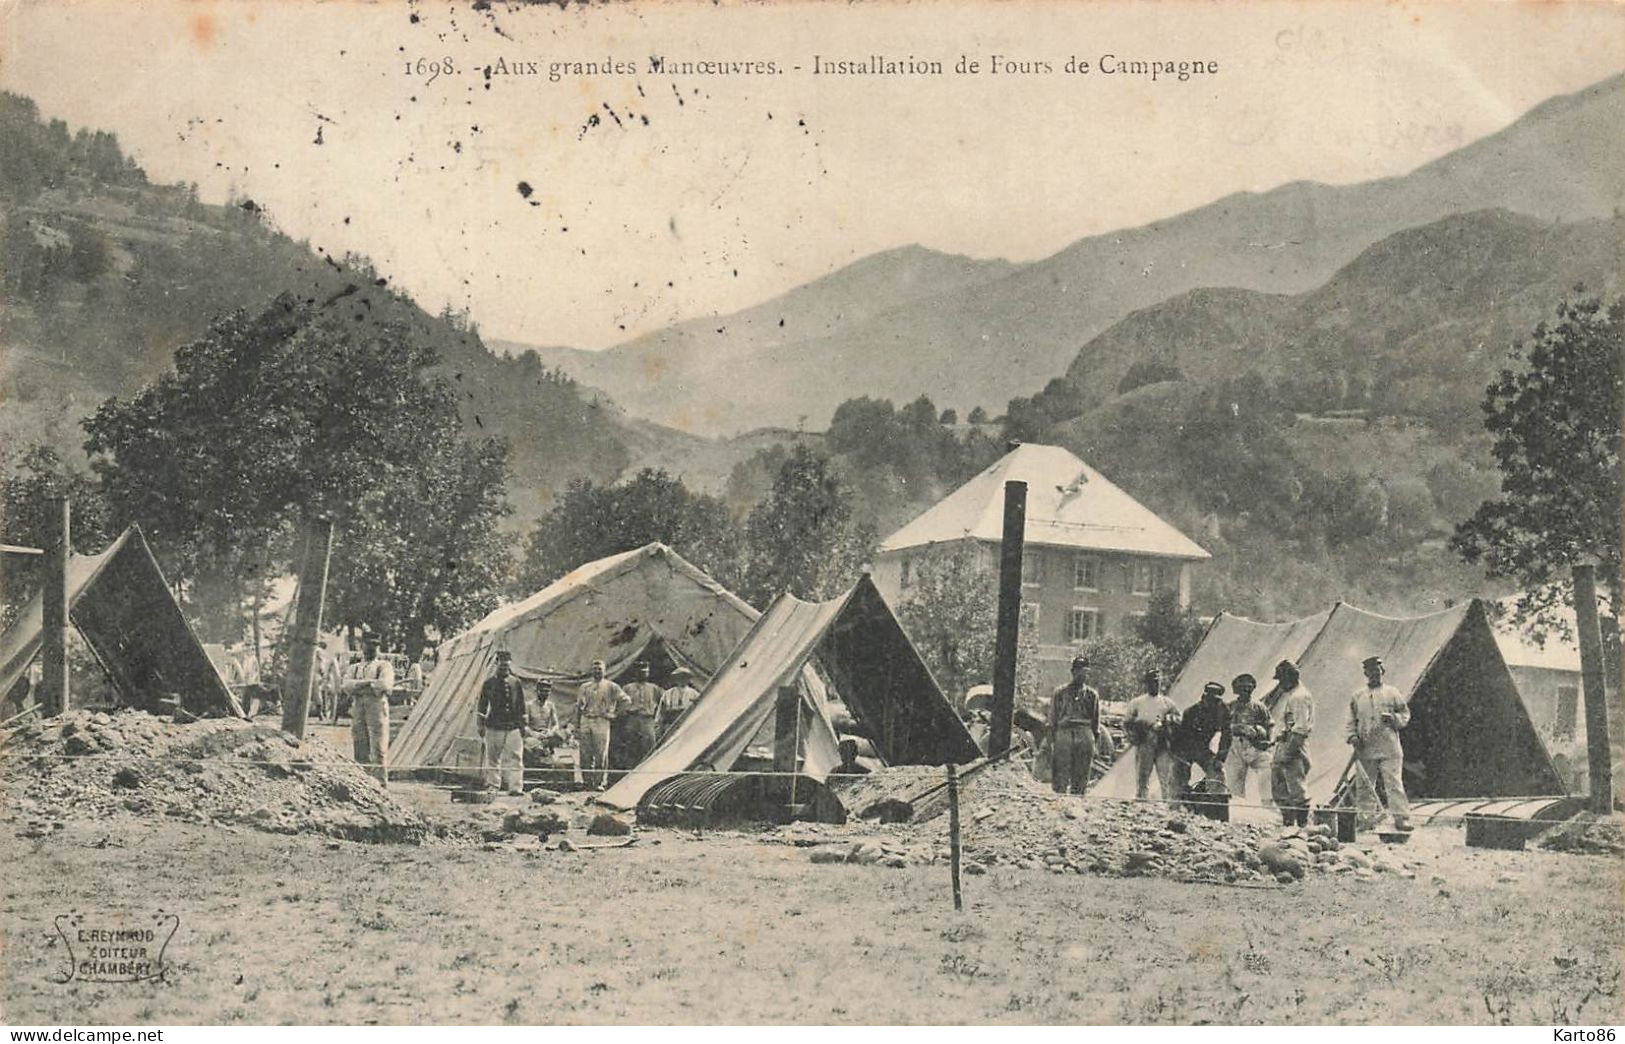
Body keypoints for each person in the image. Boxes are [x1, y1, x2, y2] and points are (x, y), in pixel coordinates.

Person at [1347, 655, 1412, 831]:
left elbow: (1405, 714)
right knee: (1365, 785)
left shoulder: (1393, 692)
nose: (1375, 675)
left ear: (1382, 672)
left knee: (1394, 783)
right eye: (1371, 672)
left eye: (1378, 671)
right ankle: (1365, 819)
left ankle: (1401, 818)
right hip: (1366, 746)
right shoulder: (1358, 696)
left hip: (1389, 746)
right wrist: (1352, 736)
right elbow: (1351, 720)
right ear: (1365, 673)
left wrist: (1394, 719)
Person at [341, 634, 395, 785]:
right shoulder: (354, 667)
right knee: (359, 743)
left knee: (378, 746)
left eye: (374, 645)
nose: (370, 648)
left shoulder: (384, 666)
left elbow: (385, 684)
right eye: (367, 645)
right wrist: (369, 683)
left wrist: (359, 685)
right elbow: (346, 685)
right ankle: (363, 782)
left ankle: (380, 784)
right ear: (362, 646)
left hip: (376, 705)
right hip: (358, 705)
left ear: (378, 647)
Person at [1123, 667, 1180, 801]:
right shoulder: (1137, 702)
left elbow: (1177, 720)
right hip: (1145, 741)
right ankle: (1142, 801)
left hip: (1162, 743)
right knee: (1143, 775)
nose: (1154, 685)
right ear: (1146, 684)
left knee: (1165, 775)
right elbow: (1127, 723)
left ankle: (1166, 801)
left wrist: (1167, 723)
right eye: (1151, 682)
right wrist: (1134, 737)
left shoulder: (1168, 703)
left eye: (1157, 682)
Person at [1048, 655, 1102, 795]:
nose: (1082, 675)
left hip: (1084, 731)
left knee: (1082, 770)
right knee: (1061, 770)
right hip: (1064, 732)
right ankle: (1059, 799)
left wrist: (1094, 740)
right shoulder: (1060, 692)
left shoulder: (1092, 695)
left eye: (1085, 671)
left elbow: (1096, 720)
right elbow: (1053, 716)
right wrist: (1052, 737)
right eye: (1079, 671)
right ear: (1073, 672)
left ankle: (1077, 799)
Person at [1269, 659, 1314, 826]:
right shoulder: (1294, 695)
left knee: (1296, 787)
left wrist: (1288, 751)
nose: (1280, 684)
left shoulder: (1299, 697)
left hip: (1295, 744)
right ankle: (1288, 822)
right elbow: (1290, 724)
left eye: (1282, 679)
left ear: (1290, 678)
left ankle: (1301, 826)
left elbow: (1300, 728)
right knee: (1279, 785)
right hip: (1288, 741)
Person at [476, 650, 528, 794]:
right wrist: (480, 724)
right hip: (494, 725)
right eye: (501, 664)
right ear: (496, 664)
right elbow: (482, 705)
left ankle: (516, 787)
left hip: (513, 726)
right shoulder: (489, 683)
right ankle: (493, 785)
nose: (504, 667)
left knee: (516, 757)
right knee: (493, 757)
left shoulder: (516, 682)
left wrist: (523, 724)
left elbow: (521, 705)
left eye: (506, 665)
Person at [1170, 681, 1231, 797]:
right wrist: (1181, 758)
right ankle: (1176, 800)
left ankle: (1217, 799)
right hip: (1186, 747)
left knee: (1217, 771)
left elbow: (1227, 736)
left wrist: (1220, 758)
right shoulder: (1191, 712)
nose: (1212, 704)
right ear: (1203, 698)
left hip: (1203, 748)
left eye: (1216, 701)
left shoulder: (1223, 711)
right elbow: (1180, 737)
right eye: (1210, 700)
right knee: (1179, 771)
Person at [575, 659, 627, 789]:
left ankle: (598, 782)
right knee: (585, 752)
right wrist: (577, 725)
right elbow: (578, 706)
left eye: (600, 669)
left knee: (600, 752)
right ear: (591, 671)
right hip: (586, 719)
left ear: (604, 671)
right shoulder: (584, 686)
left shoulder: (611, 686)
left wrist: (614, 714)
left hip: (601, 720)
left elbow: (626, 700)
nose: (597, 671)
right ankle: (587, 782)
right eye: (595, 669)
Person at [1222, 673, 1274, 804]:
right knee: (1234, 781)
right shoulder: (1230, 707)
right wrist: (1237, 728)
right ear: (1237, 690)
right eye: (1242, 688)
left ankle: (1268, 804)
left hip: (1254, 746)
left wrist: (1266, 741)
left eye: (1249, 688)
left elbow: (1269, 726)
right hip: (1235, 745)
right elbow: (1221, 726)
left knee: (1268, 770)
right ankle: (1237, 809)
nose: (1246, 691)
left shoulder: (1259, 707)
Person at [620, 662, 663, 769]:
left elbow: (663, 702)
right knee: (631, 746)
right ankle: (630, 771)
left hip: (647, 720)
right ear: (635, 673)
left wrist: (657, 717)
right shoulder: (627, 688)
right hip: (632, 719)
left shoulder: (654, 688)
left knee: (649, 746)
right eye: (639, 672)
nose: (642, 674)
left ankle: (650, 769)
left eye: (645, 672)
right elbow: (620, 703)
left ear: (648, 673)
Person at [658, 666, 701, 740]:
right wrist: (659, 726)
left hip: (687, 724)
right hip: (671, 725)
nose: (682, 680)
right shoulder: (668, 693)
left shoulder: (694, 694)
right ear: (675, 679)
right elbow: (661, 712)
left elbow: (699, 710)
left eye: (684, 677)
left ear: (688, 679)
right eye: (679, 677)